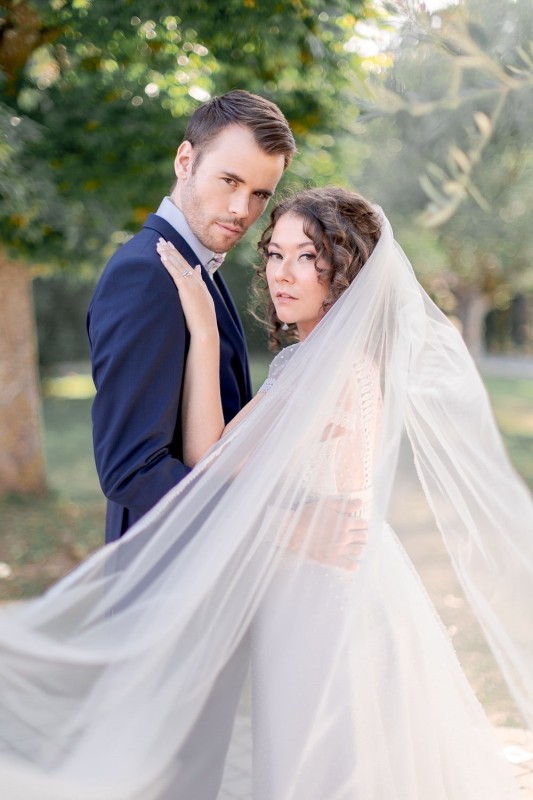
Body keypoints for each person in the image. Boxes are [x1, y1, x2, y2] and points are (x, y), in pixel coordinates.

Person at [0, 188, 532, 800]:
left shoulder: (324, 369)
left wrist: (202, 329)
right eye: (275, 254)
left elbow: (209, 458)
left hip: (320, 598)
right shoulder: (326, 361)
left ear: (346, 267)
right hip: (330, 584)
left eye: (307, 256)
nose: (282, 273)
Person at [87, 89, 295, 544]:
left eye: (260, 193)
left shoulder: (197, 268)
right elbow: (130, 471)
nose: (243, 210)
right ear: (185, 161)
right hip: (163, 579)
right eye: (229, 181)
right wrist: (277, 528)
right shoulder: (145, 275)